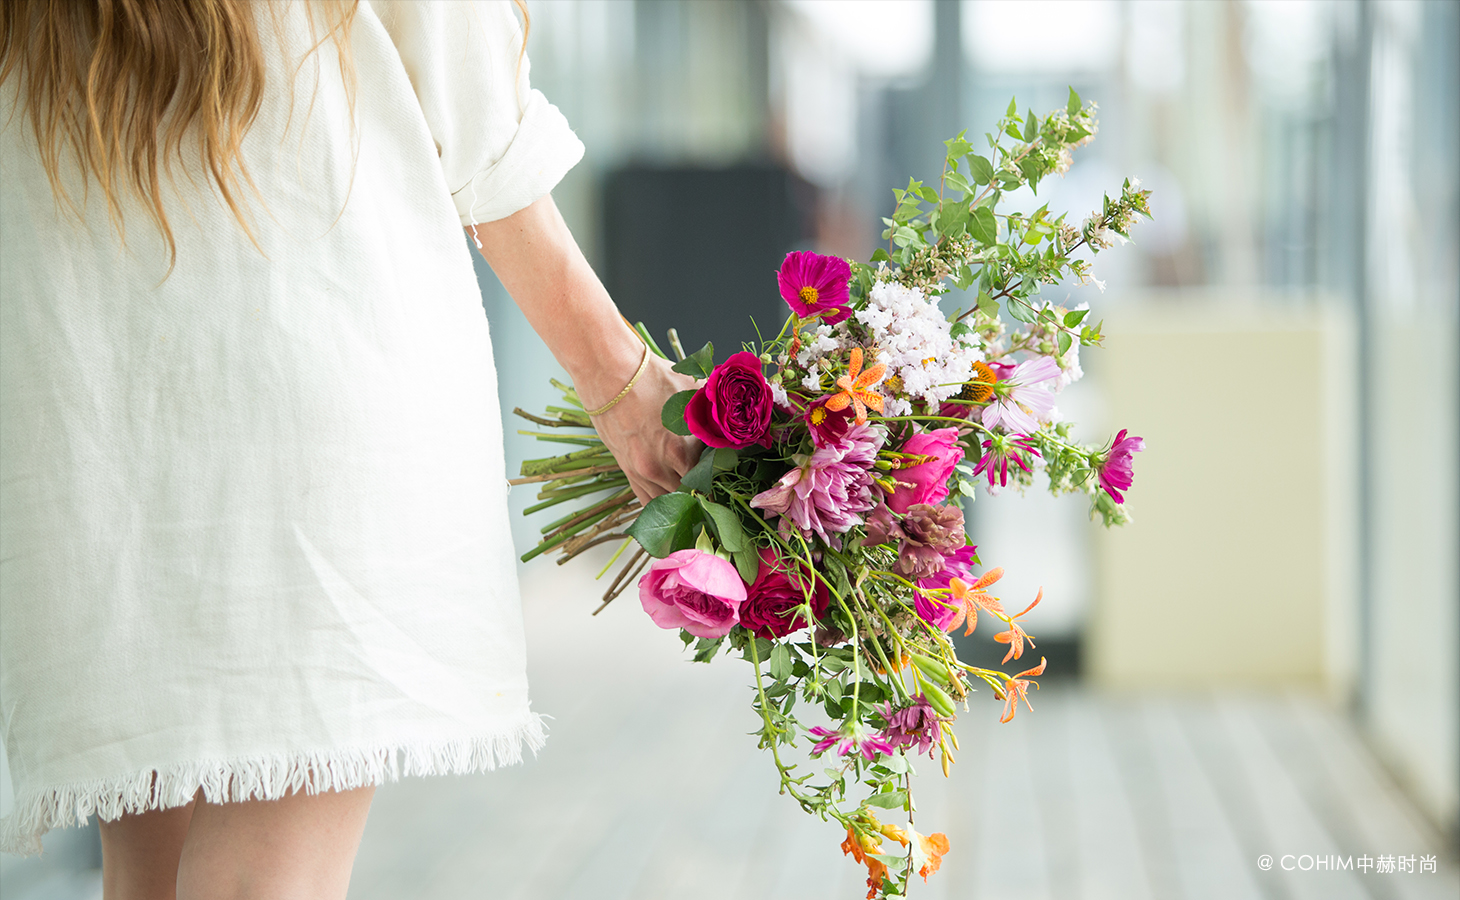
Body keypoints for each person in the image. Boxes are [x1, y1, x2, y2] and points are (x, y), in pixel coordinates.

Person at [0, 1, 696, 896]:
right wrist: (623, 384)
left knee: (152, 878)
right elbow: (473, 113)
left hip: (94, 399)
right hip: (308, 365)